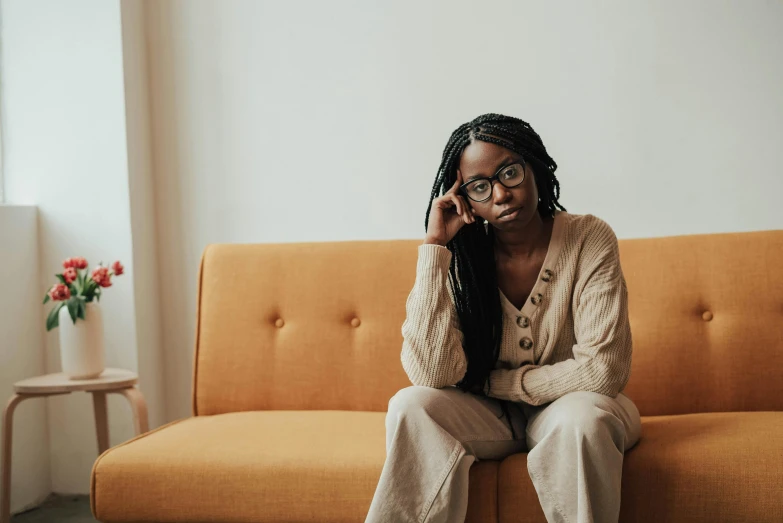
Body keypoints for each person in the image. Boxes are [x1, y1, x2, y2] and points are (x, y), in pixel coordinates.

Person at [365, 113, 642, 523]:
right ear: (466, 198)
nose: (500, 194)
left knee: (580, 420)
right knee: (411, 404)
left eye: (509, 172)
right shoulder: (464, 257)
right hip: (492, 419)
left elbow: (602, 371)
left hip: (579, 408)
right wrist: (435, 247)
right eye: (479, 186)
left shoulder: (589, 238)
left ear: (534, 166)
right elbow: (432, 373)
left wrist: (497, 383)